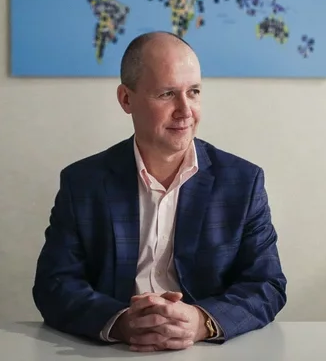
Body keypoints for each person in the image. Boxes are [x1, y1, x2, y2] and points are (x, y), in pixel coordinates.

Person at [32, 31, 286, 351]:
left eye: (193, 92)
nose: (185, 110)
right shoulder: (83, 182)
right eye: (167, 94)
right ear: (126, 99)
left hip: (206, 351)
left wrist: (202, 321)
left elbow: (266, 284)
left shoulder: (242, 182)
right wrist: (121, 322)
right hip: (111, 351)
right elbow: (54, 284)